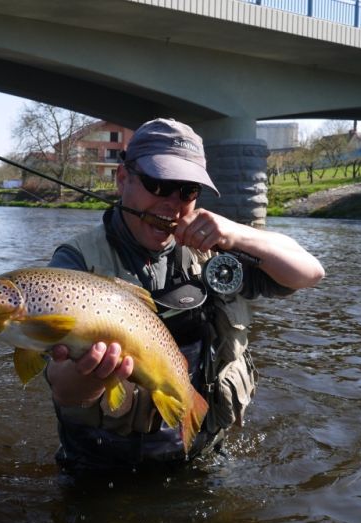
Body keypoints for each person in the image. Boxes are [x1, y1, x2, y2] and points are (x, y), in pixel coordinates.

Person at [45, 118, 325, 471]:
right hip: (100, 470)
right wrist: (91, 375)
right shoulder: (74, 263)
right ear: (122, 179)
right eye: (159, 184)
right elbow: (61, 386)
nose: (172, 203)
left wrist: (235, 233)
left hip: (204, 458)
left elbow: (311, 272)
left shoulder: (217, 252)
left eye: (187, 191)